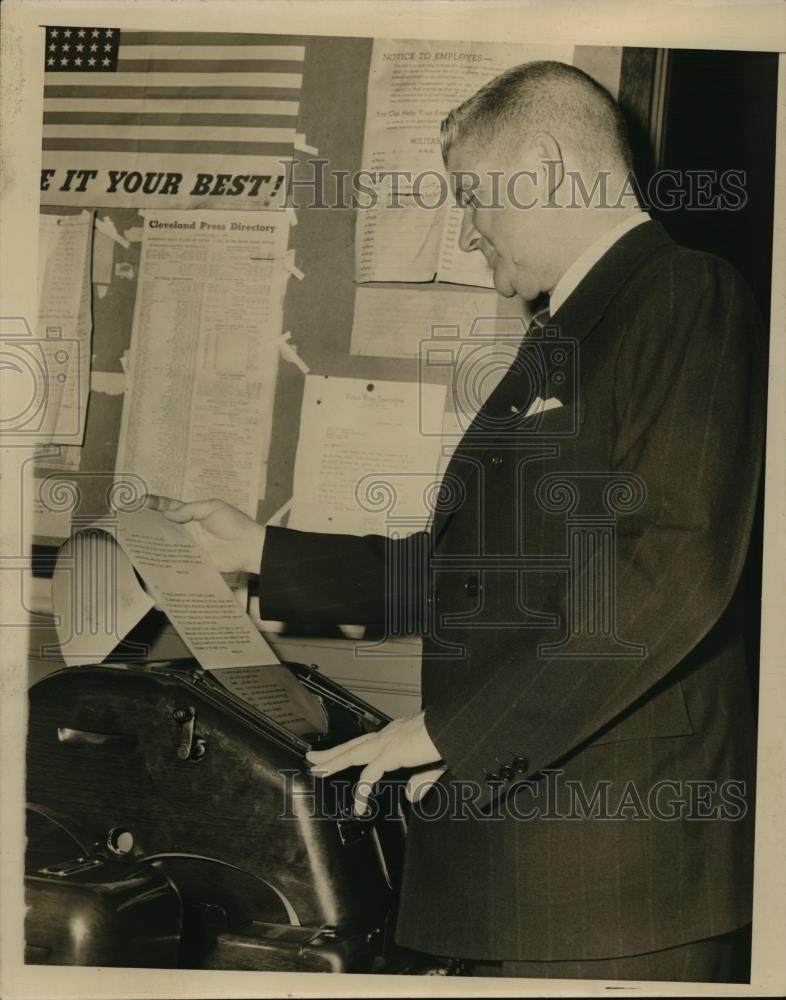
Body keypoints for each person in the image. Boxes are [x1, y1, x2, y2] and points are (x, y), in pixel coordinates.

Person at [151, 62, 765, 982]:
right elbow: (481, 576)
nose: (468, 231)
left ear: (551, 168)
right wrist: (262, 551)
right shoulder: (569, 327)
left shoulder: (685, 294)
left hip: (613, 882)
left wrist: (450, 737)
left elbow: (669, 573)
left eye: (476, 196)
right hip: (525, 859)